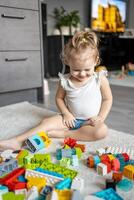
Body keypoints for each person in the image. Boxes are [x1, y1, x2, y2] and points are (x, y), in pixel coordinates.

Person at [0, 31, 113, 150]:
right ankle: (17, 141)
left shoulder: (100, 78)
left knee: (102, 131)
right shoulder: (65, 80)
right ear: (67, 62)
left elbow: (107, 99)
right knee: (46, 122)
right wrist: (66, 114)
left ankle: (65, 134)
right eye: (76, 70)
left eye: (87, 69)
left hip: (91, 121)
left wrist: (100, 117)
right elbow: (59, 98)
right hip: (70, 119)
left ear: (96, 61)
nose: (82, 74)